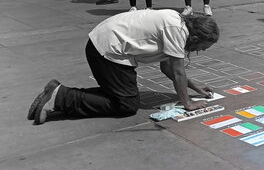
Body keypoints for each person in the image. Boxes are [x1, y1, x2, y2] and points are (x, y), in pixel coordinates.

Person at [27, 10, 220, 125]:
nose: (200, 51)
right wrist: (188, 104)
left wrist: (195, 87)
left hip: (108, 45)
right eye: (202, 47)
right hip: (108, 50)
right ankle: (62, 97)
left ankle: (60, 94)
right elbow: (178, 72)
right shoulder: (177, 31)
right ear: (195, 38)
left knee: (121, 95)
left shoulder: (177, 22)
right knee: (126, 105)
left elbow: (167, 69)